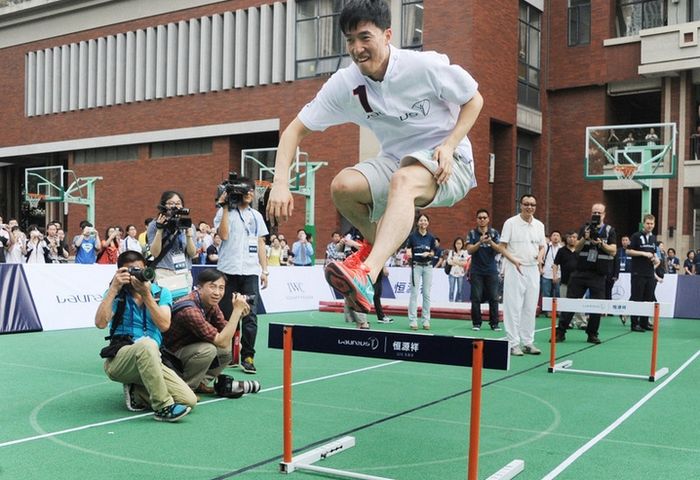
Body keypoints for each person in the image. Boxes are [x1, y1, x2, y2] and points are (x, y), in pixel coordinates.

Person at [266, 0, 483, 314]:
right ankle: (376, 245)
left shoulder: (423, 66)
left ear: (387, 35)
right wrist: (280, 183)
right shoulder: (345, 83)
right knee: (342, 186)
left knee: (403, 179)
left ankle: (368, 272)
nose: (357, 48)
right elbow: (293, 132)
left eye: (365, 37)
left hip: (450, 161)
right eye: (350, 41)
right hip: (396, 160)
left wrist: (450, 145)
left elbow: (474, 99)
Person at [94, 251, 196, 422]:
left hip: (154, 358)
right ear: (120, 273)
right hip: (121, 358)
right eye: (129, 271)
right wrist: (113, 289)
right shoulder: (116, 294)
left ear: (147, 270)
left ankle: (137, 392)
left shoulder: (160, 293)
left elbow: (164, 325)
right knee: (147, 345)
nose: (134, 275)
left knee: (189, 400)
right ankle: (163, 407)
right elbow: (100, 323)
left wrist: (146, 295)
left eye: (138, 270)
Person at [163, 269, 250, 394]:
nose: (217, 293)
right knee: (208, 350)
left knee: (234, 347)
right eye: (212, 287)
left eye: (221, 288)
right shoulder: (189, 310)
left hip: (190, 348)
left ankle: (201, 383)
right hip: (171, 355)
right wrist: (235, 312)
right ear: (199, 287)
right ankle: (185, 389)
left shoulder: (211, 304)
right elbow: (221, 341)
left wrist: (239, 316)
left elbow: (226, 332)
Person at [214, 177, 269, 374]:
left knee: (250, 315)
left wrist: (265, 270)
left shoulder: (256, 216)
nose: (251, 194)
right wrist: (226, 207)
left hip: (251, 271)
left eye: (252, 191)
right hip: (228, 270)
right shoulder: (223, 212)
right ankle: (225, 354)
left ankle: (248, 355)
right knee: (227, 313)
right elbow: (224, 235)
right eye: (247, 190)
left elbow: (261, 243)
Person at [555, 203, 617, 344]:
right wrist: (585, 238)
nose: (596, 215)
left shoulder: (610, 231)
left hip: (598, 275)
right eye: (594, 212)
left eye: (599, 213)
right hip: (580, 272)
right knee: (570, 302)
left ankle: (592, 334)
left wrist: (601, 244)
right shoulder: (584, 228)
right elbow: (576, 248)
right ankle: (561, 332)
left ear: (604, 214)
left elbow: (613, 251)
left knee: (597, 306)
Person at [499, 195, 544, 356]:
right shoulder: (510, 223)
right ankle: (513, 343)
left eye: (532, 204)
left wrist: (540, 258)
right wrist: (514, 260)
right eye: (526, 204)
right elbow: (501, 247)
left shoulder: (539, 225)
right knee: (513, 307)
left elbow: (542, 247)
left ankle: (528, 342)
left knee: (530, 307)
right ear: (521, 205)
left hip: (533, 270)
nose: (529, 207)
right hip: (514, 268)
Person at [147, 191, 197, 299]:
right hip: (164, 272)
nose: (175, 206)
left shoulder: (188, 225)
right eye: (171, 203)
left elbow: (192, 254)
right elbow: (155, 253)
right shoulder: (154, 225)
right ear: (163, 206)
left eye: (178, 203)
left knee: (184, 308)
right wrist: (160, 230)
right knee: (165, 306)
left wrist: (189, 236)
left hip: (184, 272)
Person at [626, 214, 660, 332]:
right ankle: (634, 324)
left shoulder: (654, 238)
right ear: (643, 224)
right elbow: (628, 251)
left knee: (648, 298)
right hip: (637, 272)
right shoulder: (636, 236)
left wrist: (655, 259)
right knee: (637, 298)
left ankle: (644, 323)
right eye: (648, 223)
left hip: (650, 273)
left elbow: (654, 252)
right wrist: (643, 254)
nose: (650, 226)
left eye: (652, 224)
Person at [406, 213, 437, 330]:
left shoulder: (431, 237)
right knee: (414, 293)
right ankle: (413, 320)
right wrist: (409, 253)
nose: (423, 222)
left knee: (427, 294)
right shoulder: (412, 237)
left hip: (428, 266)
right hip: (416, 266)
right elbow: (408, 249)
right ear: (418, 223)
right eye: (421, 220)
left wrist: (429, 254)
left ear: (428, 223)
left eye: (425, 220)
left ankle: (426, 320)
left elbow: (434, 252)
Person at [540, 231, 562, 302]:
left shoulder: (561, 248)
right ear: (551, 237)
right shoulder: (546, 247)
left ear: (560, 238)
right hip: (546, 274)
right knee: (546, 293)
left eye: (557, 235)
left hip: (558, 274)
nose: (555, 237)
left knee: (558, 293)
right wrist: (540, 269)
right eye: (554, 235)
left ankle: (557, 311)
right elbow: (539, 258)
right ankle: (547, 311)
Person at [446, 237, 469, 303]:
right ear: (454, 244)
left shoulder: (464, 252)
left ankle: (459, 302)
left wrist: (456, 261)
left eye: (460, 243)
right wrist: (459, 262)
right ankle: (451, 301)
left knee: (460, 290)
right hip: (452, 273)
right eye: (457, 243)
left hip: (460, 273)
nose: (458, 245)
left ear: (462, 244)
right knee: (451, 289)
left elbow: (465, 263)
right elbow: (449, 261)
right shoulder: (451, 252)